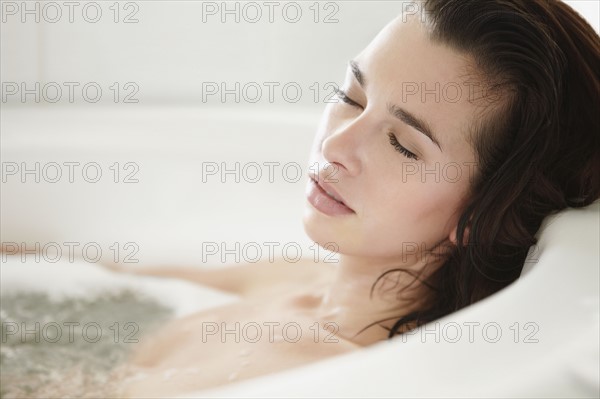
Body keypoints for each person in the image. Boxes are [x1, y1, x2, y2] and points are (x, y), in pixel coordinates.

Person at [112, 0, 600, 396]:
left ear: (481, 214)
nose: (334, 147)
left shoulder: (325, 378)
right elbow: (115, 281)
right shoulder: (296, 279)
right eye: (352, 98)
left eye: (402, 144)